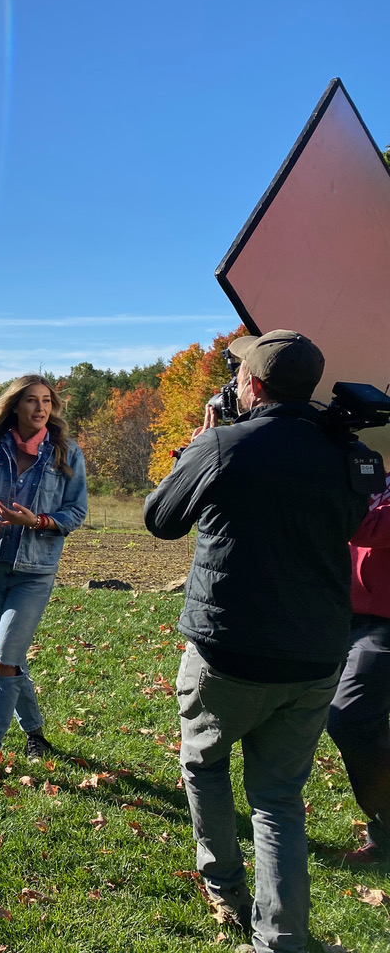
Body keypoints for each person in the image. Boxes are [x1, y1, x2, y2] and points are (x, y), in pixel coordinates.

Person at [144, 330, 372, 953]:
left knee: (205, 763)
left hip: (229, 649)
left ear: (252, 384)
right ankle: (283, 938)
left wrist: (201, 443)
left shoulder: (224, 443)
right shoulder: (350, 455)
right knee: (278, 800)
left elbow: (160, 520)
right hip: (318, 653)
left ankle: (223, 884)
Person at [0, 374, 87, 780]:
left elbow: (77, 512)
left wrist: (39, 521)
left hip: (35, 571)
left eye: (47, 401)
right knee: (10, 658)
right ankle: (35, 734)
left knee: (3, 659)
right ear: (14, 406)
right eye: (31, 401)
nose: (41, 408)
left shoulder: (66, 453)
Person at [327, 469, 390, 864]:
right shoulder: (369, 469)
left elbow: (367, 526)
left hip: (384, 622)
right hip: (345, 615)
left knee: (349, 717)